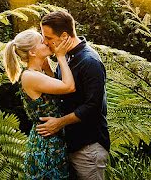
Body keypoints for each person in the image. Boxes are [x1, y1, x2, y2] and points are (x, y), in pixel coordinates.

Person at [36, 11, 110, 180]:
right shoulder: (66, 57)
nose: (45, 42)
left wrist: (59, 123)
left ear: (63, 36)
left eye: (48, 37)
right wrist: (46, 68)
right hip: (72, 144)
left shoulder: (89, 62)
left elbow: (93, 106)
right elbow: (61, 89)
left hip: (89, 147)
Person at [4, 28, 76, 179]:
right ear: (32, 52)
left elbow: (54, 87)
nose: (48, 43)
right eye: (43, 42)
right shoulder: (30, 76)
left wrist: (47, 67)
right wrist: (61, 57)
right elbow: (68, 87)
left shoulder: (37, 74)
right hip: (46, 146)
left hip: (51, 140)